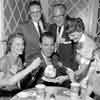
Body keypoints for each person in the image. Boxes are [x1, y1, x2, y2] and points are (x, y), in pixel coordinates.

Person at [0, 33, 41, 99]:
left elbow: (18, 83)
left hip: (15, 94)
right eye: (18, 44)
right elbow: (4, 83)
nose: (22, 47)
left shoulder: (19, 60)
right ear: (10, 46)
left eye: (22, 44)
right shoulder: (3, 61)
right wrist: (31, 67)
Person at [48, 4, 78, 71]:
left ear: (65, 15)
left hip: (69, 69)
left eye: (60, 16)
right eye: (54, 16)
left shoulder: (73, 28)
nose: (57, 19)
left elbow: (77, 53)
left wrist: (72, 72)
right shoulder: (51, 28)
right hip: (54, 68)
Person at [16, 1, 47, 65]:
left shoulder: (48, 26)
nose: (35, 14)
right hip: (30, 64)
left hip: (47, 64)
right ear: (29, 13)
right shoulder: (23, 27)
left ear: (41, 11)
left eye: (37, 11)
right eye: (32, 12)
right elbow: (16, 47)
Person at [68, 17, 97, 82]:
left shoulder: (88, 45)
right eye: (69, 35)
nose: (70, 38)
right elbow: (79, 57)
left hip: (91, 76)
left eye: (72, 35)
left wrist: (70, 76)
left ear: (81, 31)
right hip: (85, 73)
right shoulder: (81, 39)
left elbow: (84, 69)